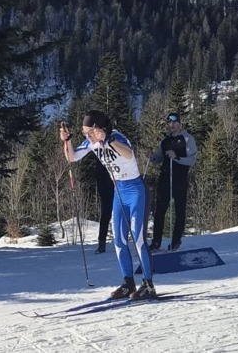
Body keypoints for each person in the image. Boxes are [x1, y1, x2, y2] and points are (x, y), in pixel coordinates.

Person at [60, 110, 156, 300]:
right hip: (119, 191)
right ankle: (128, 283)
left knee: (138, 239)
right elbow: (71, 157)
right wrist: (67, 140)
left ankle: (148, 284)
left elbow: (129, 155)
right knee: (119, 240)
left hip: (136, 190)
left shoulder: (116, 137)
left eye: (89, 132)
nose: (87, 137)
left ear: (98, 128)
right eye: (84, 133)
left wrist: (108, 140)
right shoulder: (91, 142)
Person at [149, 112, 197, 252]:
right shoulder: (165, 141)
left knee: (179, 210)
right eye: (169, 122)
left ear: (180, 123)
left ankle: (176, 241)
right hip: (165, 178)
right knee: (159, 211)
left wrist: (176, 157)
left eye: (175, 122)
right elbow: (158, 158)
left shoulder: (187, 139)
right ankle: (156, 241)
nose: (172, 124)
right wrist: (152, 157)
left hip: (180, 178)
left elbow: (192, 160)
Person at [94, 160, 114, 254]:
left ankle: (124, 242)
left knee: (124, 215)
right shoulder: (99, 156)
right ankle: (101, 244)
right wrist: (102, 191)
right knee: (105, 215)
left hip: (119, 186)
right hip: (106, 189)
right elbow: (99, 175)